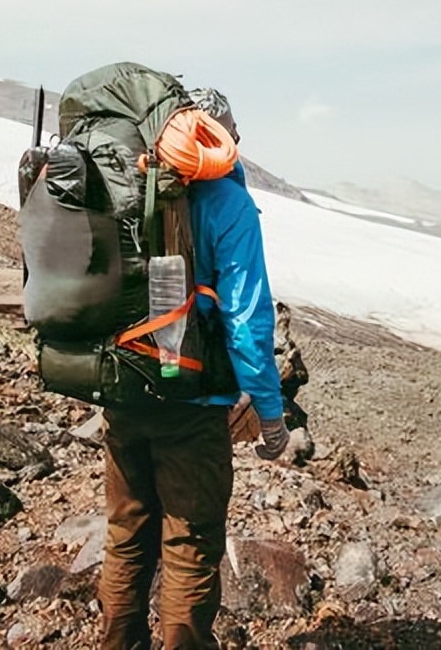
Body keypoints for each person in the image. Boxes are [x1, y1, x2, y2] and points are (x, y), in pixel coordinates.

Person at [97, 87, 288, 650]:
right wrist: (270, 414)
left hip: (124, 388)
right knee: (190, 543)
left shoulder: (129, 186)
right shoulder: (229, 204)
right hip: (191, 401)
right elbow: (247, 322)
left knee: (126, 534)